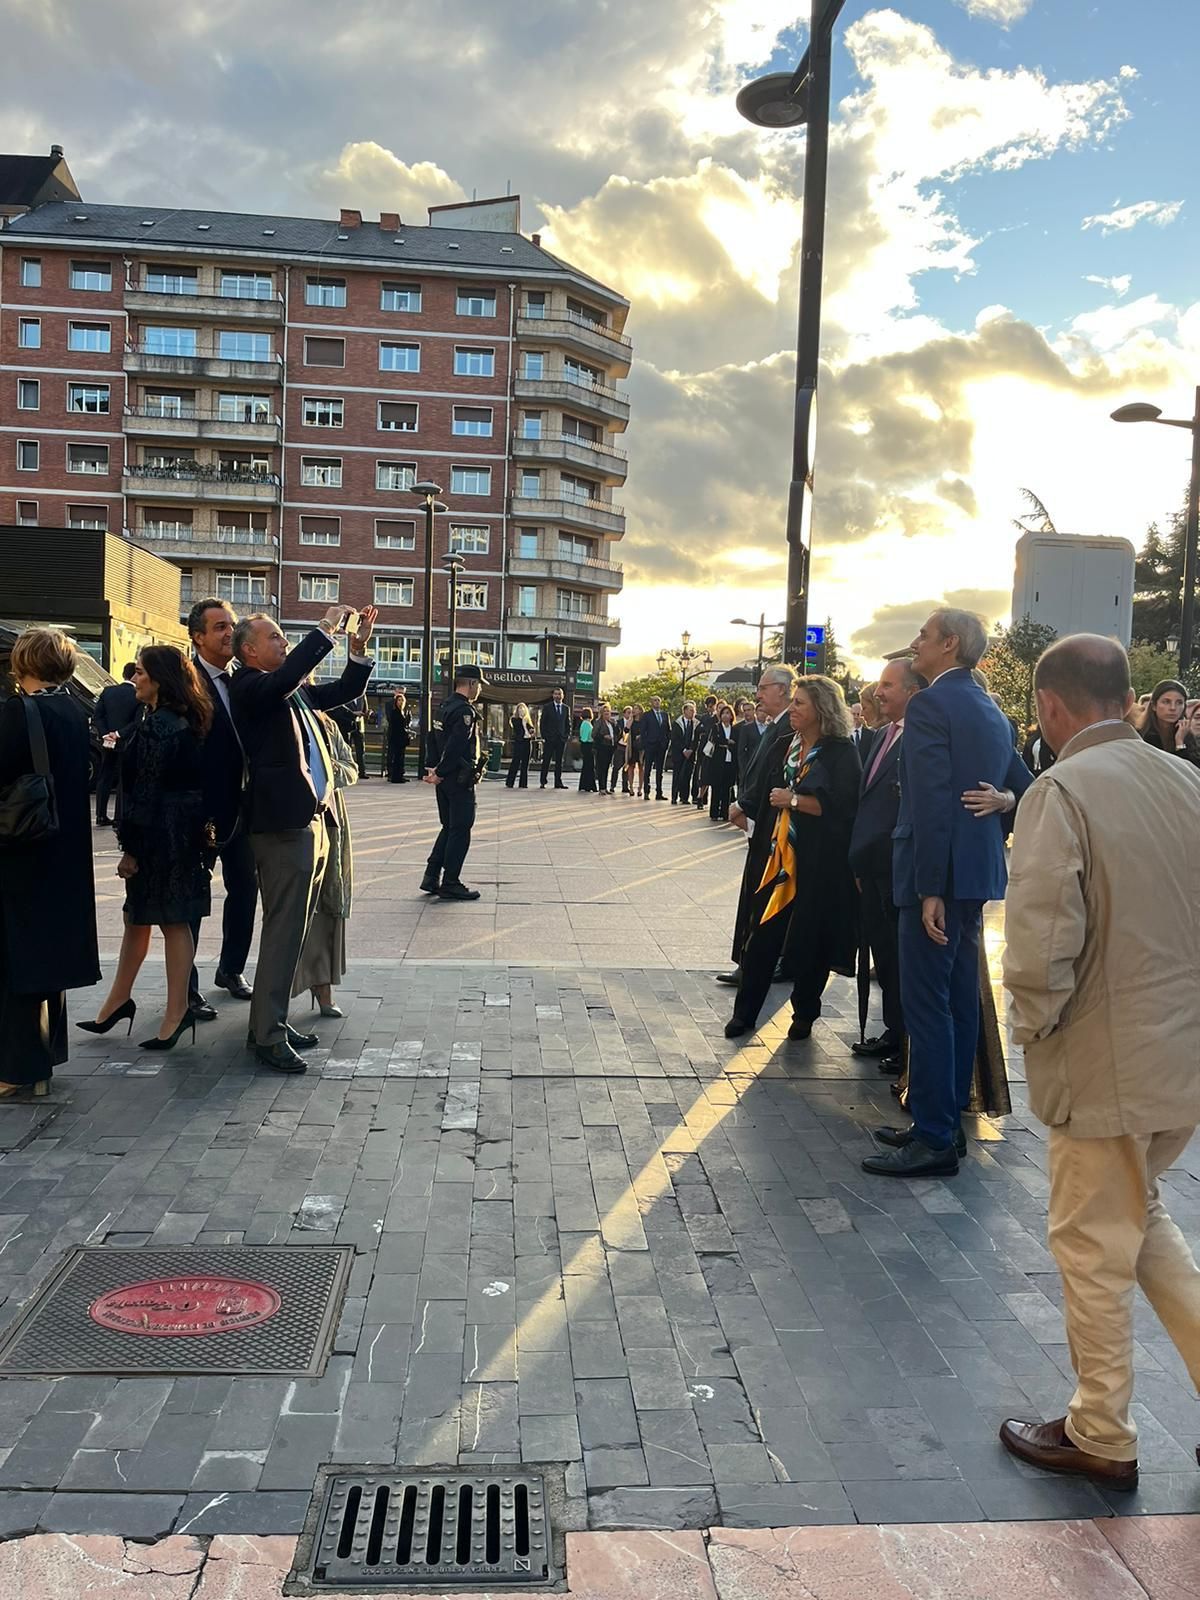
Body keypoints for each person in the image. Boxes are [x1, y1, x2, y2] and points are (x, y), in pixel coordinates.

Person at [998, 634, 1200, 1492]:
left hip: (1104, 1064)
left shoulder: (1060, 790)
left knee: (1090, 1245)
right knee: (1141, 1222)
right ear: (1124, 698)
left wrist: (1031, 1034)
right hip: (1181, 1059)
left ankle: (1101, 1430)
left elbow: (1042, 944)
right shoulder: (1188, 783)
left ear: (1049, 707)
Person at [862, 609, 1032, 1179]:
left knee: (928, 1006)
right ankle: (944, 1125)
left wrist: (929, 886)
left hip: (934, 877)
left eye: (924, 636)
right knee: (957, 1003)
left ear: (950, 645)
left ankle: (934, 1137)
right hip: (975, 876)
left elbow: (932, 800)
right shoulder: (992, 709)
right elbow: (1027, 787)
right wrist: (1004, 800)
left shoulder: (932, 703)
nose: (915, 643)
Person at [230, 605, 376, 1074]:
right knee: (282, 931)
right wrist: (326, 628)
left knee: (295, 931)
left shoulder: (289, 694)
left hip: (310, 821)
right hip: (280, 828)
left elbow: (343, 691)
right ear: (249, 650)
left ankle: (272, 1020)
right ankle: (267, 1035)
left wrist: (357, 651)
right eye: (274, 637)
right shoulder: (251, 686)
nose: (284, 643)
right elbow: (288, 675)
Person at [81, 646, 213, 1052]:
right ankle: (121, 1002)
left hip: (162, 835)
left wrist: (131, 849)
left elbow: (145, 792)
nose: (134, 679)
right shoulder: (186, 719)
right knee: (143, 918)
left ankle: (174, 1013)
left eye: (140, 673)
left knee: (170, 921)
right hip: (182, 832)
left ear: (158, 679)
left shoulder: (158, 727)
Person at [726, 677, 860, 1038]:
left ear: (822, 708)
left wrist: (795, 801)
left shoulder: (841, 753)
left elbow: (844, 807)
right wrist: (743, 807)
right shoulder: (787, 745)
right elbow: (764, 788)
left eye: (800, 703)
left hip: (817, 864)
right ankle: (744, 1013)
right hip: (775, 858)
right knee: (761, 937)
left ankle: (804, 1013)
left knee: (811, 942)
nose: (794, 710)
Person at [0, 628, 100, 1095]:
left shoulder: (20, 712)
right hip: (64, 846)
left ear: (23, 662)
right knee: (46, 956)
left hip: (22, 845)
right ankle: (45, 1056)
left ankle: (18, 1069)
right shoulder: (74, 711)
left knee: (16, 956)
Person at [848, 659, 925, 1074]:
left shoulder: (921, 739)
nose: (877, 694)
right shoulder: (881, 737)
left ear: (913, 691)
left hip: (900, 871)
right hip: (873, 871)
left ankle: (908, 1043)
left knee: (901, 959)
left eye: (887, 686)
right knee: (885, 956)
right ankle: (894, 1031)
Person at [186, 597, 256, 1016]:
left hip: (242, 808)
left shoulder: (243, 678)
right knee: (193, 897)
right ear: (197, 637)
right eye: (219, 628)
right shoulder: (187, 680)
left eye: (231, 625)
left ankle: (231, 968)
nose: (230, 633)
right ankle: (186, 985)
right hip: (202, 810)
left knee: (245, 889)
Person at [717, 666, 799, 988]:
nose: (758, 694)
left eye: (764, 688)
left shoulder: (788, 729)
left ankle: (754, 963)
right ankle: (750, 960)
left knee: (761, 895)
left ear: (782, 689)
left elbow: (774, 777)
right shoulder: (773, 727)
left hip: (770, 825)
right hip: (758, 821)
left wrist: (745, 806)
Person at [293, 708, 358, 1019]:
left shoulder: (326, 723)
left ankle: (323, 985)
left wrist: (325, 768)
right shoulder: (278, 713)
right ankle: (280, 994)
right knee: (293, 910)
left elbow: (351, 767)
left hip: (329, 816)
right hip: (292, 821)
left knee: (328, 903)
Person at [421, 664, 488, 900]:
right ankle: (451, 881)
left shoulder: (444, 706)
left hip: (444, 778)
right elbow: (456, 745)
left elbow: (432, 738)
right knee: (461, 829)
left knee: (448, 827)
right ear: (470, 684)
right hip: (458, 778)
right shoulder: (464, 712)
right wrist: (440, 770)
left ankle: (431, 876)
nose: (479, 689)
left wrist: (432, 768)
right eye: (478, 684)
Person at [92, 661, 139, 826]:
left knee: (104, 776)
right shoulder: (138, 695)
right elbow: (136, 722)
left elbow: (98, 716)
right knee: (122, 778)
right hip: (127, 741)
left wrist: (106, 734)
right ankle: (120, 815)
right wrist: (119, 734)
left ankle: (100, 815)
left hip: (107, 742)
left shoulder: (108, 691)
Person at [1136, 678, 1191, 756]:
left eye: (1179, 702)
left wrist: (1180, 741)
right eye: (1166, 702)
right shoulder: (1141, 736)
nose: (1173, 708)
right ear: (1154, 705)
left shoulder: (1187, 735)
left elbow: (1190, 766)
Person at [708, 703, 738, 821]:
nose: (726, 716)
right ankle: (714, 812)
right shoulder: (716, 727)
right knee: (716, 787)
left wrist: (728, 743)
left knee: (727, 788)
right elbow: (715, 739)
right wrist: (727, 741)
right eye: (723, 713)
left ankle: (725, 812)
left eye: (728, 713)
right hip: (718, 761)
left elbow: (736, 742)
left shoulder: (734, 729)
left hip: (730, 761)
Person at [330, 695, 368, 779]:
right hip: (347, 725)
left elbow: (365, 710)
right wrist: (353, 714)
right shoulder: (346, 696)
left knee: (360, 750)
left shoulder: (362, 696)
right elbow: (341, 711)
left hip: (359, 726)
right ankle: (349, 770)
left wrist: (366, 714)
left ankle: (362, 772)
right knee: (347, 748)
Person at [692, 694, 720, 808]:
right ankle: (698, 796)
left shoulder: (718, 718)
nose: (711, 708)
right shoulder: (702, 718)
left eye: (712, 706)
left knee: (710, 774)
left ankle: (705, 798)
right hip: (704, 749)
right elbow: (699, 730)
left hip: (715, 748)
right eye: (709, 706)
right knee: (702, 774)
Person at [640, 695, 670, 800]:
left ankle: (659, 792)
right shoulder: (646, 715)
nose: (657, 702)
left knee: (660, 771)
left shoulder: (665, 715)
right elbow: (643, 731)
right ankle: (646, 791)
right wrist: (645, 744)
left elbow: (668, 730)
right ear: (651, 703)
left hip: (661, 746)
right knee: (647, 769)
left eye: (658, 700)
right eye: (655, 700)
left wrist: (666, 743)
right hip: (650, 745)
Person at [540, 689, 570, 788]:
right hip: (550, 739)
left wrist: (566, 736)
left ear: (563, 696)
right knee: (546, 760)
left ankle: (558, 782)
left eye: (559, 694)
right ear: (553, 695)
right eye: (556, 694)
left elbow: (567, 723)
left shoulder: (566, 708)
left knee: (559, 762)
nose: (557, 696)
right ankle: (543, 781)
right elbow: (543, 723)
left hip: (561, 739)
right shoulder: (547, 707)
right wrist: (545, 736)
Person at [670, 702, 698, 805]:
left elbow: (696, 739)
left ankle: (684, 797)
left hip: (690, 755)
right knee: (677, 775)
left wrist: (691, 750)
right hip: (679, 754)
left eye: (694, 710)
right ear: (685, 711)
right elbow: (675, 739)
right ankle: (674, 796)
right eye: (691, 710)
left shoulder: (695, 724)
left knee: (687, 776)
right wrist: (684, 750)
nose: (693, 712)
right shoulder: (677, 723)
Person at [506, 702, 534, 788]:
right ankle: (510, 782)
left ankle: (523, 784)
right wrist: (523, 721)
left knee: (525, 764)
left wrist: (532, 730)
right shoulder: (515, 719)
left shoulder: (527, 720)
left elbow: (530, 730)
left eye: (523, 709)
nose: (521, 710)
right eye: (519, 709)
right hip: (519, 742)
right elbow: (519, 731)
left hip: (527, 742)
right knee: (516, 762)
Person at [386, 690, 411, 782]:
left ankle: (400, 775)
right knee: (396, 757)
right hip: (396, 738)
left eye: (402, 700)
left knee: (400, 757)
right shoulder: (394, 712)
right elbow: (396, 726)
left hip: (401, 738)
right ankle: (395, 777)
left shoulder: (403, 712)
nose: (400, 702)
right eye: (399, 700)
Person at [593, 704, 617, 793]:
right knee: (601, 767)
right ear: (601, 713)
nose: (607, 713)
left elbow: (616, 733)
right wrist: (604, 736)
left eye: (608, 711)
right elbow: (594, 734)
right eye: (605, 711)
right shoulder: (598, 722)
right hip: (602, 747)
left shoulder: (611, 722)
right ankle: (601, 787)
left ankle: (605, 787)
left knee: (606, 767)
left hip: (610, 747)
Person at [610, 705, 632, 792]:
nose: (630, 715)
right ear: (624, 713)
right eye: (628, 712)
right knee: (616, 767)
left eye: (631, 713)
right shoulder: (619, 722)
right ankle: (612, 785)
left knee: (626, 767)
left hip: (628, 747)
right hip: (620, 746)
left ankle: (625, 786)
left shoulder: (633, 723)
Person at [624, 704, 644, 796]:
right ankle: (631, 787)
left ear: (640, 710)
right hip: (632, 747)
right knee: (631, 766)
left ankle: (640, 788)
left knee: (641, 767)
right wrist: (630, 719)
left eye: (636, 709)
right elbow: (626, 730)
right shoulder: (631, 720)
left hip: (642, 747)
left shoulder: (644, 721)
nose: (634, 710)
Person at [577, 707, 596, 792]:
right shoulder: (586, 724)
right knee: (589, 766)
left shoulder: (585, 723)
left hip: (586, 745)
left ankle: (585, 785)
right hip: (587, 745)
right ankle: (589, 785)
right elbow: (584, 738)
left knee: (587, 766)